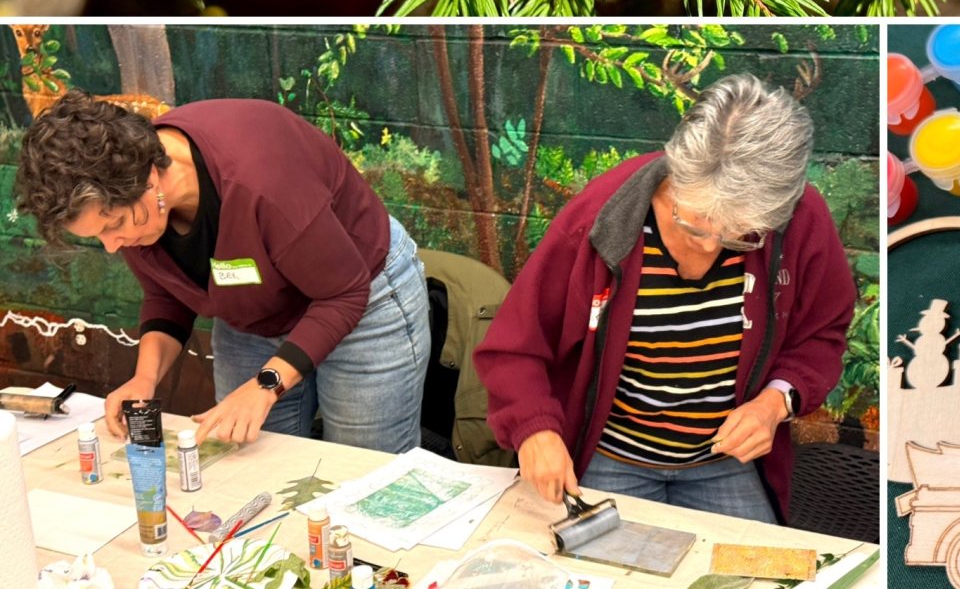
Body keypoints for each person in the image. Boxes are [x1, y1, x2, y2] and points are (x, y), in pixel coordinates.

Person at [475, 74, 856, 524]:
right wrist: (534, 430)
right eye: (696, 222)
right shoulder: (601, 220)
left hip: (721, 462)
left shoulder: (798, 218)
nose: (712, 246)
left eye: (741, 237)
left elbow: (822, 333)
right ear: (675, 171)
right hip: (612, 452)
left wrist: (775, 403)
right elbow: (515, 346)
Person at [16, 92, 429, 453]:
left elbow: (343, 294)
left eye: (112, 226)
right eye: (98, 236)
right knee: (253, 468)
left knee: (361, 472)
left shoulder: (262, 180)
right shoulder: (132, 206)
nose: (111, 245)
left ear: (144, 181)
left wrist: (265, 385)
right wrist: (145, 378)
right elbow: (166, 294)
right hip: (255, 314)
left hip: (359, 296)